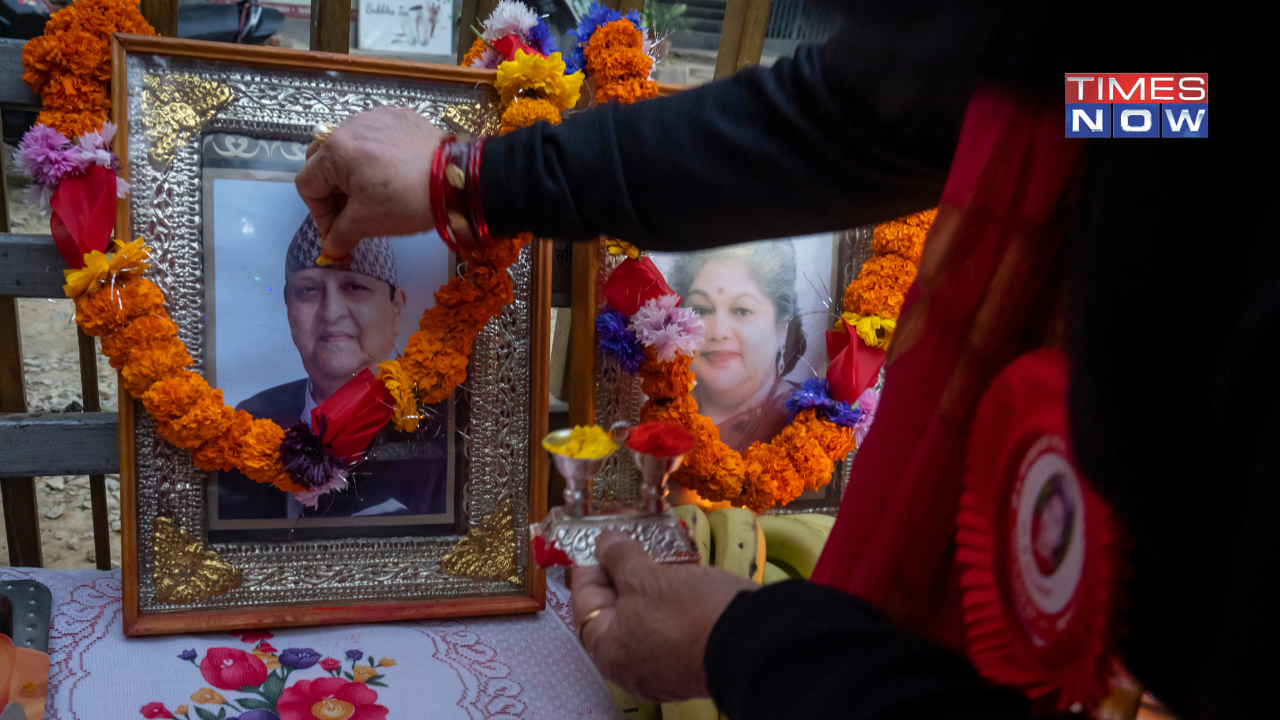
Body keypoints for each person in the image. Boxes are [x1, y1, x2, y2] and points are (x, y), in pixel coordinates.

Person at [294, 3, 1273, 719]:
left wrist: (739, 645)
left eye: (743, 308)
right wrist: (475, 179)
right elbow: (867, 119)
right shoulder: (1157, 91)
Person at [217, 216, 451, 521]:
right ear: (288, 306)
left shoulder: (444, 432)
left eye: (354, 286)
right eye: (309, 290)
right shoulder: (254, 418)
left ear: (396, 309)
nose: (331, 312)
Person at [666, 241, 807, 453]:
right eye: (702, 310)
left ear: (782, 327)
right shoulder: (666, 416)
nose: (718, 332)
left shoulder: (806, 423)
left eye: (742, 311)